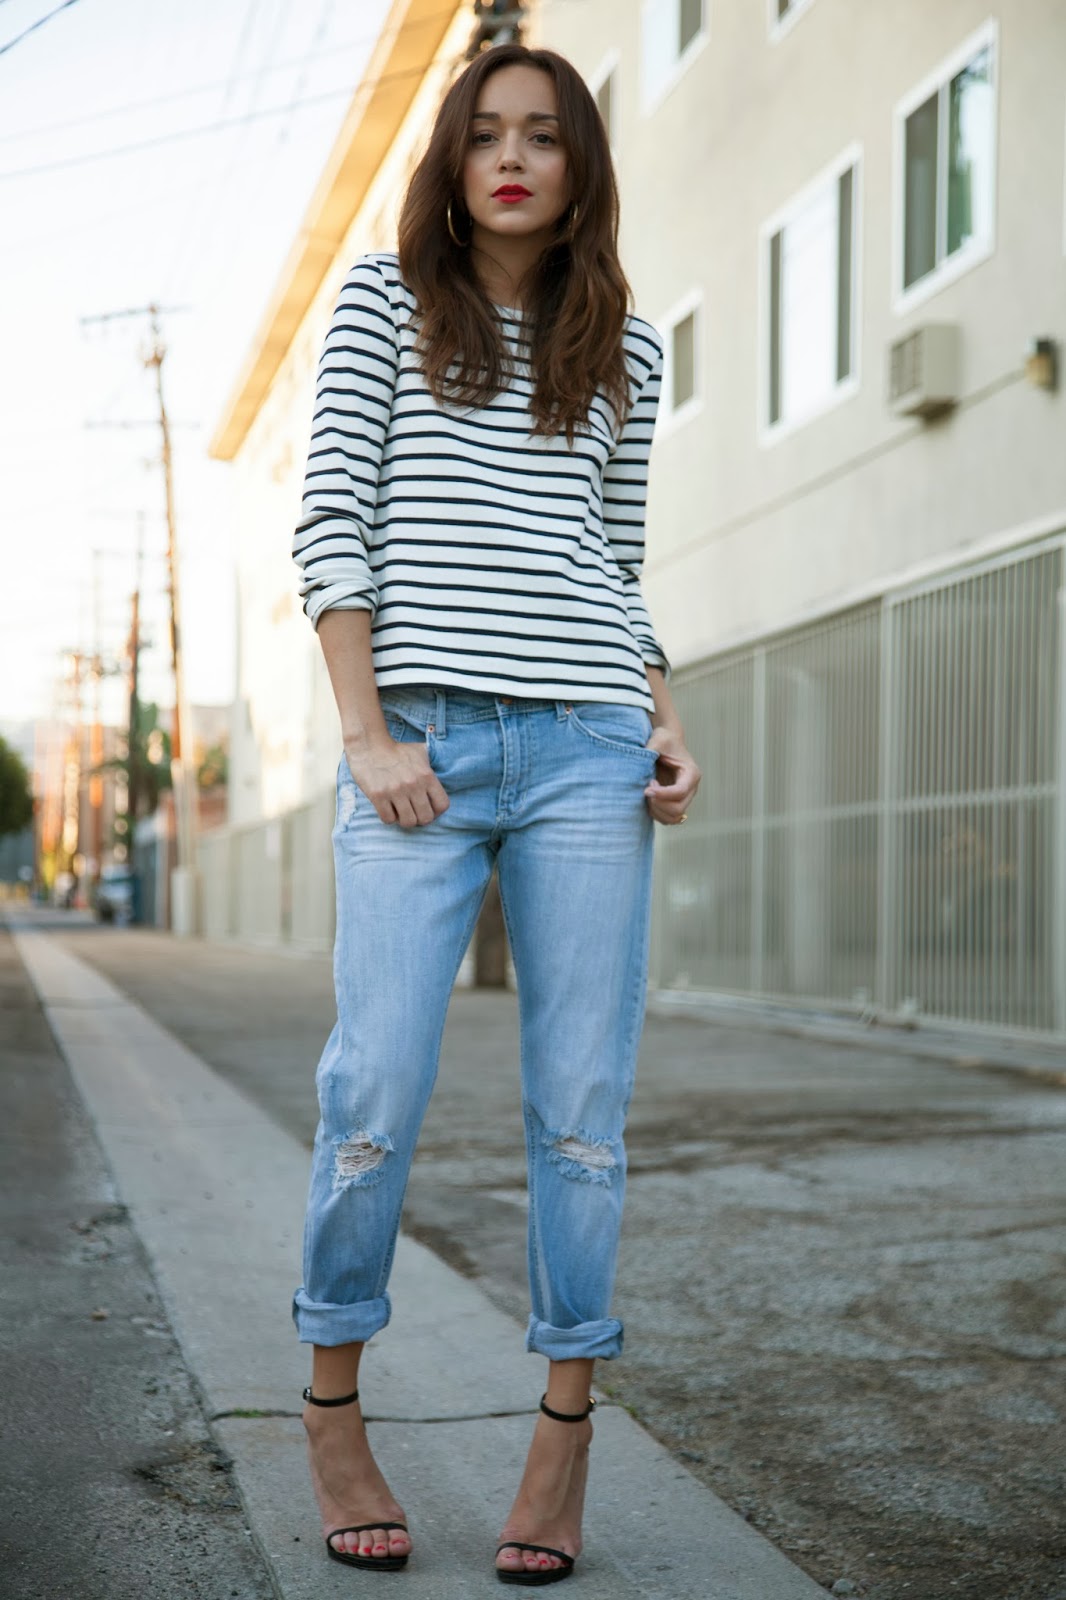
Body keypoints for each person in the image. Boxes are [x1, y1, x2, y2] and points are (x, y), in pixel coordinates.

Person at [290, 42, 701, 1586]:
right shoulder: (380, 302)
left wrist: (663, 714)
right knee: (373, 1089)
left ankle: (563, 1433)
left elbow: (616, 557)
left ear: (579, 163)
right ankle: (332, 1408)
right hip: (422, 745)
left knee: (580, 1110)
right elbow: (331, 524)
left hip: (590, 741)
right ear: (450, 165)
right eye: (484, 135)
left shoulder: (625, 345)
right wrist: (365, 733)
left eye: (541, 135)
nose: (511, 158)